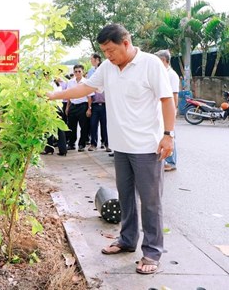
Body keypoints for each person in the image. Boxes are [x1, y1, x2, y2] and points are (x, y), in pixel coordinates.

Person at [47, 24, 175, 275]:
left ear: (126, 43)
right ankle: (127, 241)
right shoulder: (107, 67)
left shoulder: (150, 64)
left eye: (111, 50)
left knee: (150, 202)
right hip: (120, 145)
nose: (108, 56)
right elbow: (85, 88)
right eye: (104, 51)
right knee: (125, 197)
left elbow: (167, 100)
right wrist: (53, 95)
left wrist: (168, 135)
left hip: (147, 146)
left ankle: (152, 252)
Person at [155, 49, 180, 172]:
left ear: (163, 60)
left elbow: (174, 95)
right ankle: (166, 160)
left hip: (168, 111)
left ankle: (171, 162)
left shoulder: (171, 75)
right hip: (161, 111)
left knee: (170, 135)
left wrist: (173, 112)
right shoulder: (162, 73)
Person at [86, 53, 111, 153]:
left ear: (97, 59)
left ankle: (106, 144)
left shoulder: (106, 69)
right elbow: (88, 88)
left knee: (105, 126)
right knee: (93, 125)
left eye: (91, 59)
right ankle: (93, 144)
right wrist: (89, 106)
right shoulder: (90, 72)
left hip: (105, 104)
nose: (90, 61)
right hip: (95, 103)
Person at [65, 65, 90, 152]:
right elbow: (68, 95)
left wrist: (89, 108)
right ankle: (71, 144)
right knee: (71, 126)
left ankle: (81, 145)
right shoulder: (71, 82)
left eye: (79, 71)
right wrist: (67, 107)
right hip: (73, 105)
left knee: (83, 126)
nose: (77, 73)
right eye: (75, 71)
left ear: (82, 72)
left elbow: (90, 97)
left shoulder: (87, 82)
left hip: (83, 105)